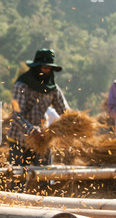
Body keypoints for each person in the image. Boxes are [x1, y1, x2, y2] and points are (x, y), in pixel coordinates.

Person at [7, 49, 70, 190]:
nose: (47, 71)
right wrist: (31, 131)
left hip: (42, 139)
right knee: (18, 180)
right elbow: (16, 115)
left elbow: (65, 111)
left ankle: (45, 207)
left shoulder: (53, 89)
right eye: (44, 67)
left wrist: (74, 122)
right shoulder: (21, 85)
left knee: (46, 180)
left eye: (50, 68)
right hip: (20, 139)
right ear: (36, 67)